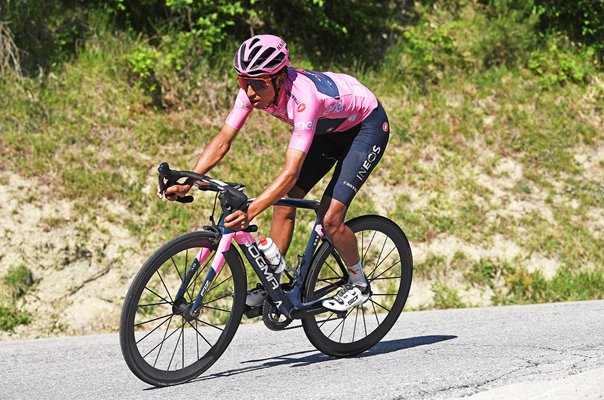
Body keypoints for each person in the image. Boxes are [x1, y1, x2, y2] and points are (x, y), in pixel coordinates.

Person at [159, 34, 390, 312]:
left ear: (280, 79)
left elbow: (291, 172)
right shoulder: (251, 90)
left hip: (366, 127)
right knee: (284, 203)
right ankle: (274, 283)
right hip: (328, 130)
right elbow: (223, 140)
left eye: (258, 84)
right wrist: (188, 181)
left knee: (330, 218)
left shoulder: (305, 99)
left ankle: (358, 283)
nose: (250, 91)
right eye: (243, 82)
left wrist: (252, 210)